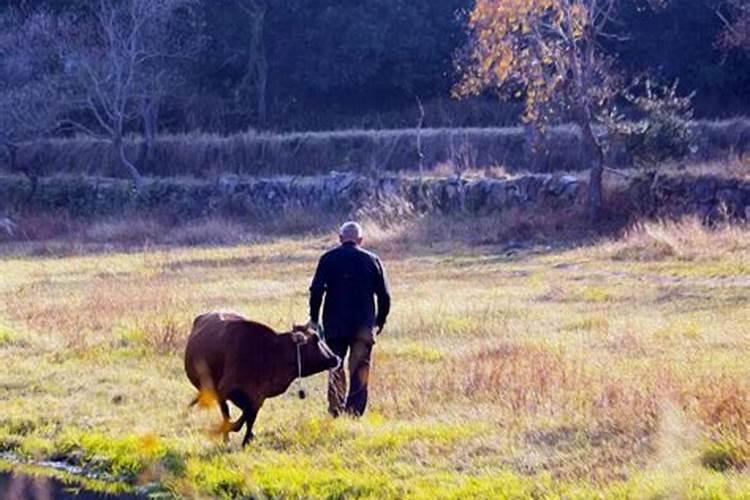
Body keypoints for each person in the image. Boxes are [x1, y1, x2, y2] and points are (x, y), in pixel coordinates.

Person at [308, 221, 391, 417]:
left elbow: (316, 291)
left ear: (340, 238)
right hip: (363, 326)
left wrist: (314, 318)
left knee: (335, 366)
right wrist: (379, 322)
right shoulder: (372, 260)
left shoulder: (328, 259)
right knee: (360, 368)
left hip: (334, 326)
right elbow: (385, 296)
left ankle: (336, 408)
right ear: (360, 240)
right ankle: (354, 413)